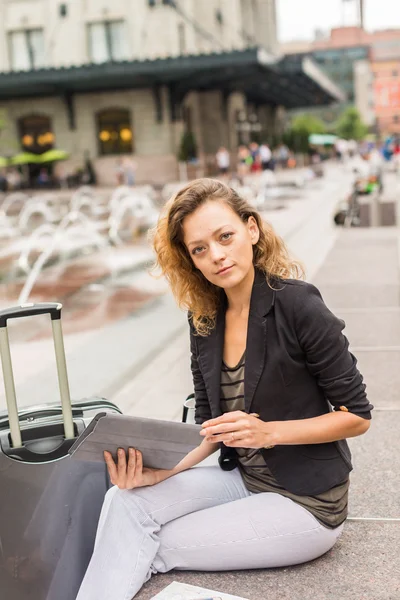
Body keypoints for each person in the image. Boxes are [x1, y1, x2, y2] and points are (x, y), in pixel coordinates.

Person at [76, 179, 373, 600]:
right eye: (199, 249)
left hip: (306, 501)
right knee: (123, 503)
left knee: (146, 544)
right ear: (191, 261)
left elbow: (357, 416)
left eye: (225, 236)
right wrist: (163, 472)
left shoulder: (300, 306)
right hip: (244, 478)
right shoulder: (204, 321)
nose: (216, 255)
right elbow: (209, 427)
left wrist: (268, 433)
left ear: (251, 230)